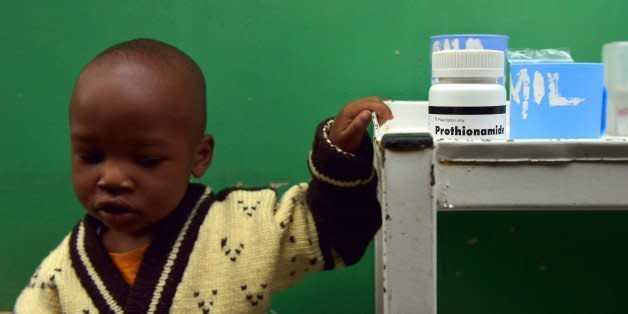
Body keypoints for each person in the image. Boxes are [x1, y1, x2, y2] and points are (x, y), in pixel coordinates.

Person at [14, 38, 392, 313]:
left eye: (145, 160)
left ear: (200, 156)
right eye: (91, 156)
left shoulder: (246, 229)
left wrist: (341, 158)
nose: (111, 178)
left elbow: (335, 233)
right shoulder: (61, 273)